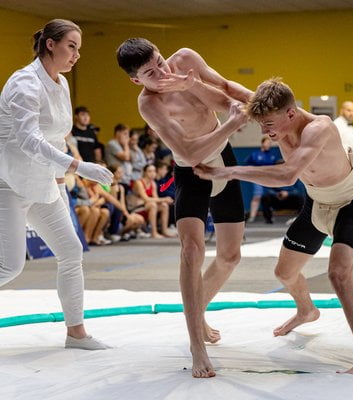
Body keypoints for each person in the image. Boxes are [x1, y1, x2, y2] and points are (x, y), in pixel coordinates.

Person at [194, 78, 353, 374]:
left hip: (348, 205)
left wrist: (228, 171)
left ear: (291, 113)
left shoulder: (318, 128)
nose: (266, 133)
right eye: (262, 126)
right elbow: (228, 88)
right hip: (316, 204)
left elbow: (287, 176)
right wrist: (190, 80)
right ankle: (307, 310)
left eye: (269, 125)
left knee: (338, 275)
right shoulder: (280, 115)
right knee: (283, 272)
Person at [116, 37, 252, 378]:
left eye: (160, 61)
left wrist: (194, 85)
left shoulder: (186, 58)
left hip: (222, 159)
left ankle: (198, 311)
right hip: (191, 171)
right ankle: (197, 345)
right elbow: (189, 153)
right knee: (191, 251)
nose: (162, 72)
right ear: (137, 80)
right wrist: (234, 125)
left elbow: (223, 98)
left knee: (230, 256)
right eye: (151, 72)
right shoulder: (149, 104)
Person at [0, 19, 113, 350]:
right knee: (9, 265)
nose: (77, 55)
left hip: (44, 184)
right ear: (50, 44)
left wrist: (61, 182)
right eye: (71, 46)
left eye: (79, 49)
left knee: (71, 250)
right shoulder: (24, 84)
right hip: (8, 182)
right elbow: (29, 140)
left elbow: (58, 137)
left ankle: (75, 333)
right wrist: (80, 167)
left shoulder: (61, 83)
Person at [132, 164, 175, 238]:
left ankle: (164, 230)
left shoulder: (153, 183)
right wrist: (164, 199)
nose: (152, 173)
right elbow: (145, 199)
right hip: (137, 207)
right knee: (153, 205)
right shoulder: (139, 182)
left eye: (154, 171)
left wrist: (164, 201)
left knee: (164, 205)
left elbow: (156, 198)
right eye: (150, 171)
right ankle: (153, 232)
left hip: (147, 206)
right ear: (145, 172)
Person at [244, 136, 279, 222]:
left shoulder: (272, 156)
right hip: (257, 179)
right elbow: (247, 164)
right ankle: (252, 216)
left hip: (268, 179)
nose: (268, 145)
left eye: (270, 143)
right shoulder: (255, 154)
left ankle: (269, 216)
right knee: (257, 196)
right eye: (267, 143)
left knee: (269, 197)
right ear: (262, 143)